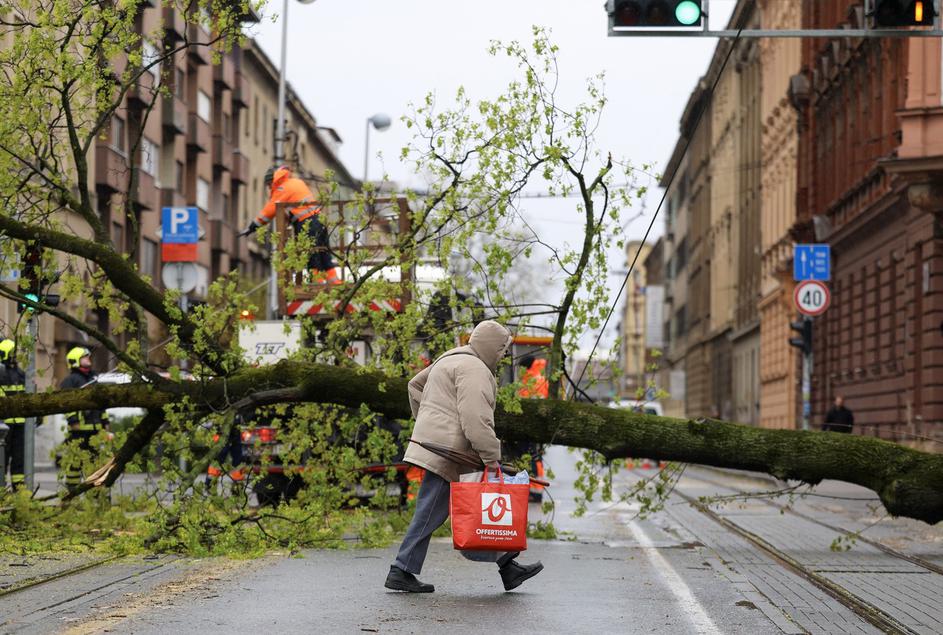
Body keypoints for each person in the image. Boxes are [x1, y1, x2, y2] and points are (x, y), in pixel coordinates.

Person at [385, 321, 544, 594]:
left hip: (441, 445)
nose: (503, 356)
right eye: (503, 350)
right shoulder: (476, 370)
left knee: (476, 507)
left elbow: (414, 386)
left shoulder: (451, 358)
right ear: (492, 346)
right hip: (451, 450)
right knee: (431, 512)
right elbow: (476, 419)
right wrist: (492, 458)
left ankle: (508, 567)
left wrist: (428, 420)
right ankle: (400, 570)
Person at [239, 165, 341, 285]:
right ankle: (335, 284)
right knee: (324, 255)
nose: (269, 188)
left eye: (268, 185)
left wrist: (252, 227)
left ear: (273, 181)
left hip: (307, 225)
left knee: (311, 257)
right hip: (320, 220)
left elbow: (268, 212)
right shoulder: (296, 182)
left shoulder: (281, 189)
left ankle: (316, 286)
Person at [59, 346, 109, 490]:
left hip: (96, 432)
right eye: (84, 357)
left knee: (95, 464)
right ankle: (72, 493)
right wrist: (73, 421)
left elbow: (102, 404)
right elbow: (66, 404)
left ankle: (95, 495)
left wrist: (105, 421)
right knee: (75, 463)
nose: (88, 359)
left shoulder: (94, 379)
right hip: (78, 432)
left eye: (88, 357)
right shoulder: (70, 381)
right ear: (75, 361)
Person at [0, 339, 27, 489]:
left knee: (19, 461)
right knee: (2, 459)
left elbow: (28, 397)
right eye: (11, 353)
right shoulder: (1, 373)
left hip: (20, 426)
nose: (14, 357)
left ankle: (19, 494)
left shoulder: (21, 374)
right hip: (3, 427)